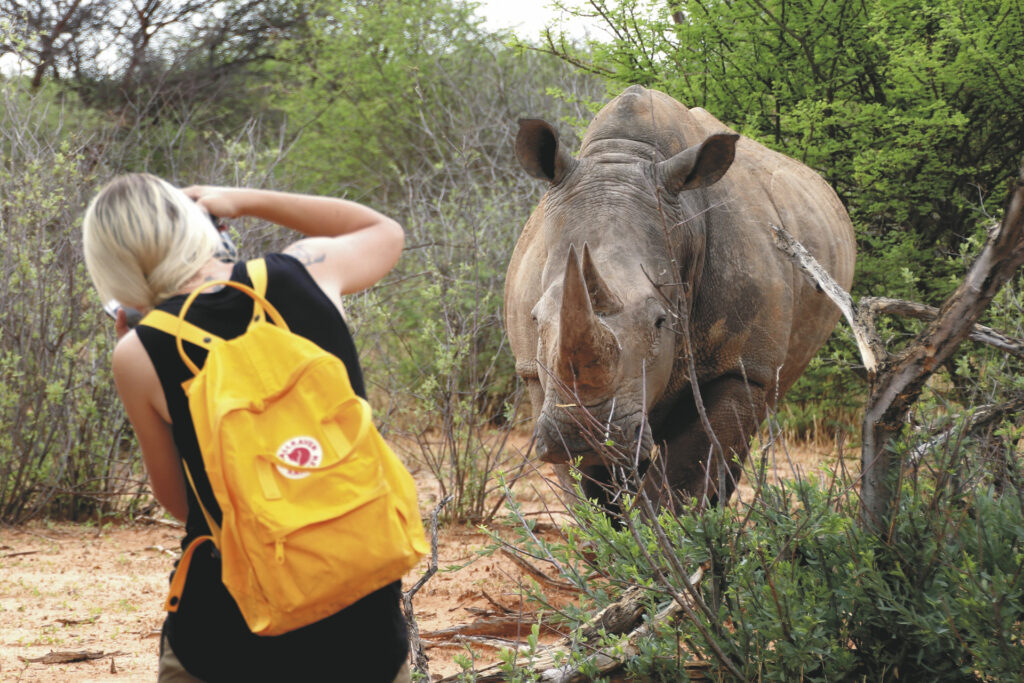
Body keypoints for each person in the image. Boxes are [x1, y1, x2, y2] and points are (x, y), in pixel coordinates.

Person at [82, 173, 411, 682]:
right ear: (200, 227)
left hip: (230, 633)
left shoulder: (140, 351)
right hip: (364, 625)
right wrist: (241, 200)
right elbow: (383, 230)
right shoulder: (303, 273)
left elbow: (180, 501)